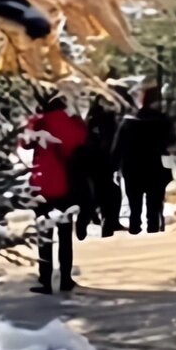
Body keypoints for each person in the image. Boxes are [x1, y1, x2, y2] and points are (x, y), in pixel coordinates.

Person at [22, 91, 88, 293]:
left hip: (43, 186)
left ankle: (45, 279)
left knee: (45, 235)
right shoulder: (72, 123)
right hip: (67, 185)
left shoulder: (40, 123)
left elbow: (25, 142)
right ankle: (66, 279)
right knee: (65, 234)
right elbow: (82, 140)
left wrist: (34, 119)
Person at [114, 83, 174, 234]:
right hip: (155, 167)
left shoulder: (129, 122)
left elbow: (118, 146)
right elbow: (171, 141)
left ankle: (135, 227)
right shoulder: (162, 121)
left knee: (134, 204)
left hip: (132, 168)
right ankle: (153, 229)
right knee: (154, 204)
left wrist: (114, 167)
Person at [74, 95, 123, 240]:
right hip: (100, 162)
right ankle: (106, 222)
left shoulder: (91, 121)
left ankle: (96, 221)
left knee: (99, 195)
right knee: (107, 194)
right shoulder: (105, 121)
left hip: (94, 163)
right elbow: (112, 143)